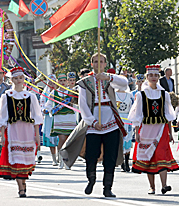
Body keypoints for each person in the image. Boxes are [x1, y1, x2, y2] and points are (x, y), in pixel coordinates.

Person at [60, 53, 128, 198]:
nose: (98, 64)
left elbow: (124, 83)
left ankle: (107, 187)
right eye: (95, 62)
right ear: (92, 64)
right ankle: (91, 179)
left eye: (101, 62)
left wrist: (108, 77)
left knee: (110, 156)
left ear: (105, 64)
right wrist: (92, 121)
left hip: (111, 120)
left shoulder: (110, 79)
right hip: (93, 121)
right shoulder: (85, 82)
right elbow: (82, 104)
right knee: (91, 155)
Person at [129, 64, 179, 195]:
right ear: (147, 77)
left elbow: (168, 115)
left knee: (161, 155)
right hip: (146, 130)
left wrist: (170, 132)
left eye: (156, 75)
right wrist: (136, 133)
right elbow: (138, 116)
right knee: (148, 157)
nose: (153, 78)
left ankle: (164, 185)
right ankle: (152, 187)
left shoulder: (164, 95)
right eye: (151, 75)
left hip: (161, 129)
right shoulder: (141, 95)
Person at [0, 67, 43, 198]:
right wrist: (1, 134)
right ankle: (20, 186)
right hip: (13, 130)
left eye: (20, 78)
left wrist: (37, 135)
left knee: (25, 158)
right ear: (11, 80)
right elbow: (2, 116)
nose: (18, 80)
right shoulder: (7, 96)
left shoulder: (30, 96)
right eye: (15, 78)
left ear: (24, 79)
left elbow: (37, 117)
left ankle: (23, 182)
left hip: (27, 130)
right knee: (15, 158)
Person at [45, 73, 77, 169]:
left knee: (68, 140)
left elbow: (77, 104)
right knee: (62, 139)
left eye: (64, 81)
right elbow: (48, 105)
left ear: (67, 82)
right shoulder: (54, 92)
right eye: (60, 81)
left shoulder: (71, 92)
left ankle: (67, 161)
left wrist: (73, 105)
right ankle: (61, 160)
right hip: (59, 119)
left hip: (70, 118)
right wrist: (52, 110)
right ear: (58, 82)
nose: (62, 83)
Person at [40, 74, 58, 166]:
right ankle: (54, 159)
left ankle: (60, 157)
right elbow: (42, 104)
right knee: (51, 138)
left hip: (58, 117)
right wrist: (44, 110)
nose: (51, 85)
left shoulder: (59, 93)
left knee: (59, 137)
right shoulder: (45, 93)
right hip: (49, 118)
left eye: (53, 83)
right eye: (50, 83)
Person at [115, 83, 134, 172]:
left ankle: (127, 161)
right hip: (118, 120)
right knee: (119, 140)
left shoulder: (129, 96)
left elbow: (132, 108)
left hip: (127, 120)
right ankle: (121, 161)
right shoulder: (114, 95)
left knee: (128, 140)